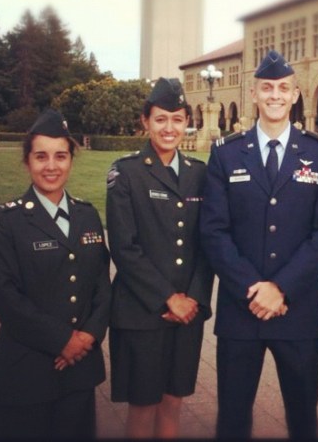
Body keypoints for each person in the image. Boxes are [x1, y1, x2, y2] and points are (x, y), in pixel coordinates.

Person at [200, 50, 318, 439]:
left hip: (296, 311)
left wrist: (280, 288)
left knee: (302, 418)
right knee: (232, 418)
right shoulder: (227, 153)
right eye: (267, 88)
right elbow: (214, 230)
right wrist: (253, 288)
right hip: (240, 309)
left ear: (296, 95)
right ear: (254, 93)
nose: (275, 95)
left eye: (283, 88)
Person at [0, 108, 111, 439]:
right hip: (28, 370)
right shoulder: (4, 222)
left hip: (79, 370)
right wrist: (63, 340)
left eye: (60, 156)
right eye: (41, 156)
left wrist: (88, 336)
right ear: (27, 161)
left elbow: (101, 285)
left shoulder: (87, 215)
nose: (51, 166)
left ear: (71, 160)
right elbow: (7, 299)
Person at [106, 77, 213, 438]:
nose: (170, 128)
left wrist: (194, 298)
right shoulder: (127, 173)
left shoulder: (201, 174)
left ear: (187, 122)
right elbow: (124, 248)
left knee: (173, 401)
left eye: (178, 119)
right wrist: (169, 299)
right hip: (142, 312)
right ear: (146, 121)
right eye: (161, 119)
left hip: (188, 315)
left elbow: (207, 244)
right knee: (143, 405)